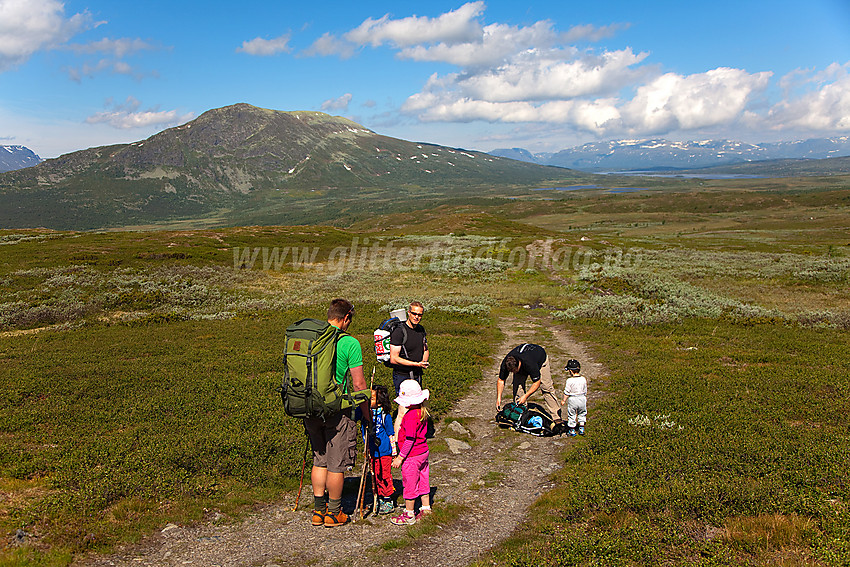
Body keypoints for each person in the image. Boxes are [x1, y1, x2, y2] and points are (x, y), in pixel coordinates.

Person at [304, 298, 370, 528]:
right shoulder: (349, 343)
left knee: (319, 459)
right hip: (337, 410)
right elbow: (360, 384)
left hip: (309, 408)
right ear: (346, 318)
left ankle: (317, 511)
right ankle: (334, 513)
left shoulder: (312, 338)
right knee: (336, 463)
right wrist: (367, 414)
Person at [390, 379, 431, 525]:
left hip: (411, 455)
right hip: (423, 452)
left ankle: (409, 514)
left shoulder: (410, 416)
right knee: (423, 479)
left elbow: (409, 439)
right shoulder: (422, 412)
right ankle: (426, 508)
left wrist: (400, 458)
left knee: (409, 483)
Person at [496, 343, 563, 423]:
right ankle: (520, 413)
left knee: (546, 387)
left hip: (540, 359)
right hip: (524, 362)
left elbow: (537, 382)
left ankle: (556, 416)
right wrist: (499, 398)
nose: (513, 373)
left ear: (519, 364)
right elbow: (501, 380)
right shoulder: (506, 363)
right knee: (517, 387)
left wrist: (526, 396)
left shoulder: (529, 363)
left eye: (514, 371)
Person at [356, 384, 396, 515]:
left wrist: (394, 453)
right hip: (371, 451)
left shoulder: (385, 415)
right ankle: (377, 497)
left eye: (371, 398)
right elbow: (354, 415)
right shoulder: (363, 412)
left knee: (384, 474)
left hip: (384, 451)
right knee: (375, 474)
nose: (368, 400)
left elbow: (391, 434)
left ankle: (387, 499)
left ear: (380, 400)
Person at [389, 301, 429, 395]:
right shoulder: (399, 332)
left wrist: (423, 362)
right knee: (404, 405)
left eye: (419, 315)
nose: (416, 317)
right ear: (409, 313)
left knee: (417, 403)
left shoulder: (421, 329)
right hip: (402, 376)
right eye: (414, 314)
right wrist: (416, 364)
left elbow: (425, 348)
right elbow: (394, 359)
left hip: (417, 374)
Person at [560, 359, 587, 436]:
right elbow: (585, 390)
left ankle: (572, 430)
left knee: (572, 414)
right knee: (582, 412)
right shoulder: (583, 379)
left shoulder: (569, 381)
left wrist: (564, 400)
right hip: (582, 398)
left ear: (571, 371)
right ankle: (581, 428)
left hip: (573, 399)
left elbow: (567, 392)